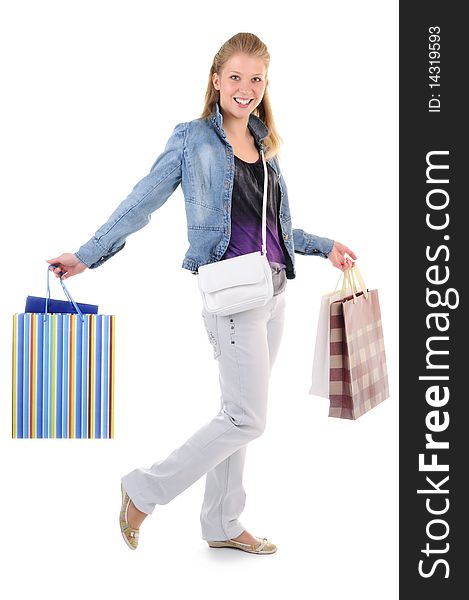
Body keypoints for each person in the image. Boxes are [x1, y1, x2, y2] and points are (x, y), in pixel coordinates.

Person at [47, 32, 357, 555]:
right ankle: (143, 490)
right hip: (230, 298)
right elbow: (142, 199)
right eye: (235, 77)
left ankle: (221, 522)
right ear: (216, 81)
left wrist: (326, 247)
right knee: (245, 418)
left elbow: (279, 229)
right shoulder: (193, 139)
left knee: (236, 412)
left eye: (256, 79)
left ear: (265, 85)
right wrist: (89, 253)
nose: (246, 88)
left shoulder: (265, 144)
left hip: (274, 290)